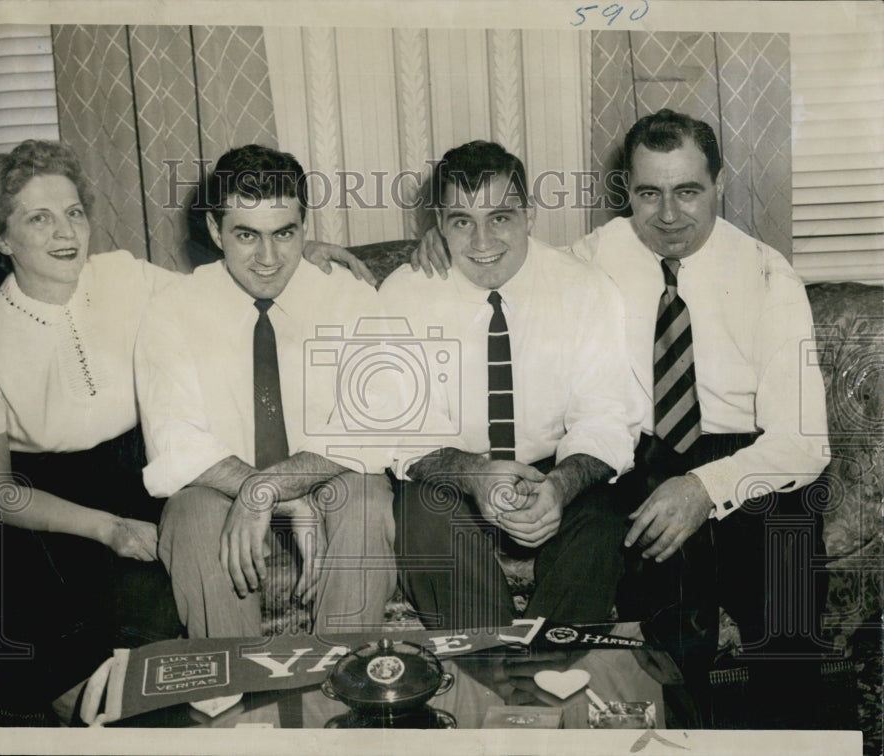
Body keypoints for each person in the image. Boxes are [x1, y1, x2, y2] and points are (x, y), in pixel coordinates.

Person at [412, 111, 831, 727]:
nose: (669, 215)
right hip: (650, 452)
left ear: (719, 184)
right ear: (627, 191)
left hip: (750, 462)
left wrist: (705, 488)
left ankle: (795, 731)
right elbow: (507, 257)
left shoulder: (770, 277)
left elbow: (803, 441)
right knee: (662, 606)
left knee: (786, 581)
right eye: (649, 193)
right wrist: (443, 247)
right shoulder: (597, 253)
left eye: (688, 191)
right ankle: (681, 731)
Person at [0, 140, 184, 714]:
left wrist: (300, 257)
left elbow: (218, 295)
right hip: (44, 510)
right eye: (39, 218)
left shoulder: (124, 275)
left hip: (142, 473)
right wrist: (106, 528)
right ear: (0, 239)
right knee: (118, 651)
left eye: (73, 212)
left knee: (169, 612)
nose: (65, 231)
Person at [134, 144, 396, 639]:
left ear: (304, 226)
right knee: (191, 514)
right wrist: (265, 492)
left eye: (284, 233)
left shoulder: (349, 297)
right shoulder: (172, 309)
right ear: (215, 231)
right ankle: (234, 678)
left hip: (328, 486)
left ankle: (343, 666)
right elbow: (176, 444)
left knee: (364, 496)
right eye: (247, 235)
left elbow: (377, 423)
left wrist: (271, 488)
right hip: (221, 494)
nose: (269, 258)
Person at [378, 140, 641, 632]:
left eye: (500, 217)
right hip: (453, 471)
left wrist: (560, 485)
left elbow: (606, 417)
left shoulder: (586, 288)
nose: (482, 242)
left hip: (553, 465)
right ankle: (488, 661)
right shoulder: (402, 296)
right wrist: (474, 474)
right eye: (462, 221)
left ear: (529, 215)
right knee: (423, 518)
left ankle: (552, 662)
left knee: (604, 516)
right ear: (439, 222)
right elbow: (398, 430)